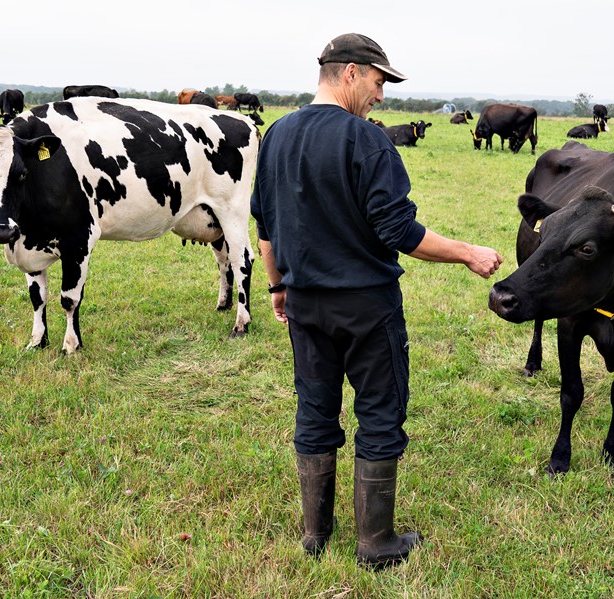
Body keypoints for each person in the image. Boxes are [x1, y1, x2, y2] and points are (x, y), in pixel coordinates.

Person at [250, 33, 503, 569]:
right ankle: (376, 544)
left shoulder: (276, 136)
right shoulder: (367, 142)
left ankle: (315, 535)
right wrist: (467, 254)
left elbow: (266, 228)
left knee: (314, 410)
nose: (382, 95)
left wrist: (278, 287)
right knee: (380, 415)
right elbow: (399, 231)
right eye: (379, 80)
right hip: (367, 306)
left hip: (305, 305)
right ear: (350, 74)